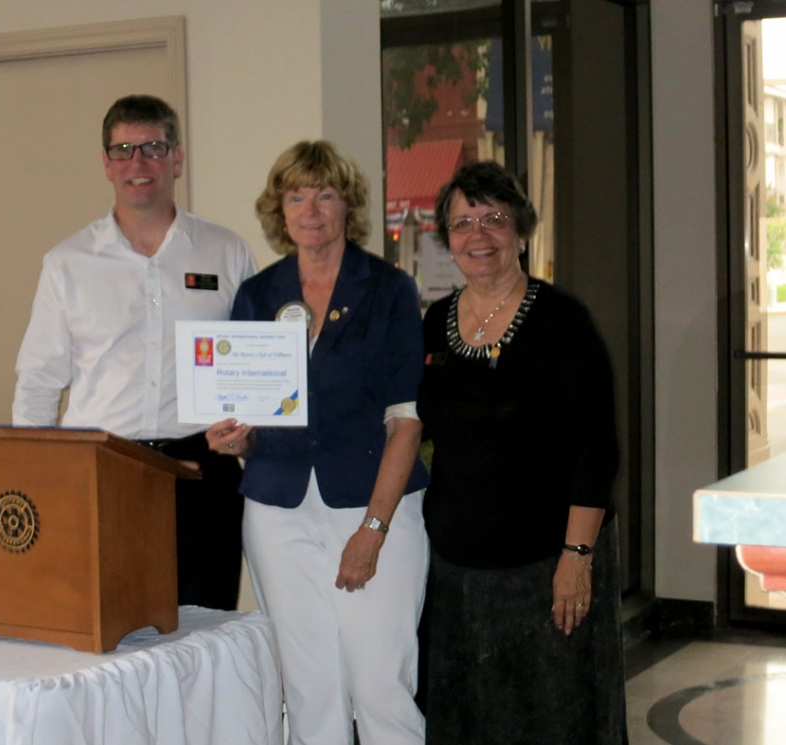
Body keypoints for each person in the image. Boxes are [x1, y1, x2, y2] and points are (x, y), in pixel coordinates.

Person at [205, 141, 429, 745]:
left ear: (346, 204)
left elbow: (405, 420)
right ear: (280, 208)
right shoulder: (257, 294)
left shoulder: (388, 290)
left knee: (381, 686)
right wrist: (234, 439)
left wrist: (373, 530)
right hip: (277, 510)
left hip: (371, 505)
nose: (311, 209)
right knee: (308, 687)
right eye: (297, 195)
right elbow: (253, 415)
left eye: (325, 194)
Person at [12, 94, 256, 611]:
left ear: (177, 158)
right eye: (123, 149)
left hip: (201, 473)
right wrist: (38, 481)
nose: (138, 163)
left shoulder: (226, 252)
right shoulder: (67, 264)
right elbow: (37, 384)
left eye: (153, 147)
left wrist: (252, 432)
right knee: (104, 636)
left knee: (202, 643)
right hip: (102, 472)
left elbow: (254, 368)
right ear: (105, 163)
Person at [417, 160, 628, 744]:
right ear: (448, 239)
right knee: (470, 720)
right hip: (459, 574)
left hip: (549, 570)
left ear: (521, 230)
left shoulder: (564, 322)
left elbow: (597, 448)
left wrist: (576, 557)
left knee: (556, 719)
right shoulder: (435, 323)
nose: (478, 235)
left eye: (494, 219)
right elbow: (415, 425)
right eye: (462, 223)